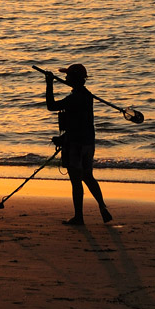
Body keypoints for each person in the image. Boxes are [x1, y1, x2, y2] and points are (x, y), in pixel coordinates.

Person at [45, 63, 113, 226]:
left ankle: (79, 217)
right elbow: (78, 122)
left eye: (68, 76)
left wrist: (49, 84)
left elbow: (51, 106)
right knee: (88, 176)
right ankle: (102, 205)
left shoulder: (74, 98)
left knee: (76, 182)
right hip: (89, 142)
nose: (66, 78)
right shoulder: (87, 96)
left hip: (76, 145)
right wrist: (63, 139)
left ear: (74, 79)